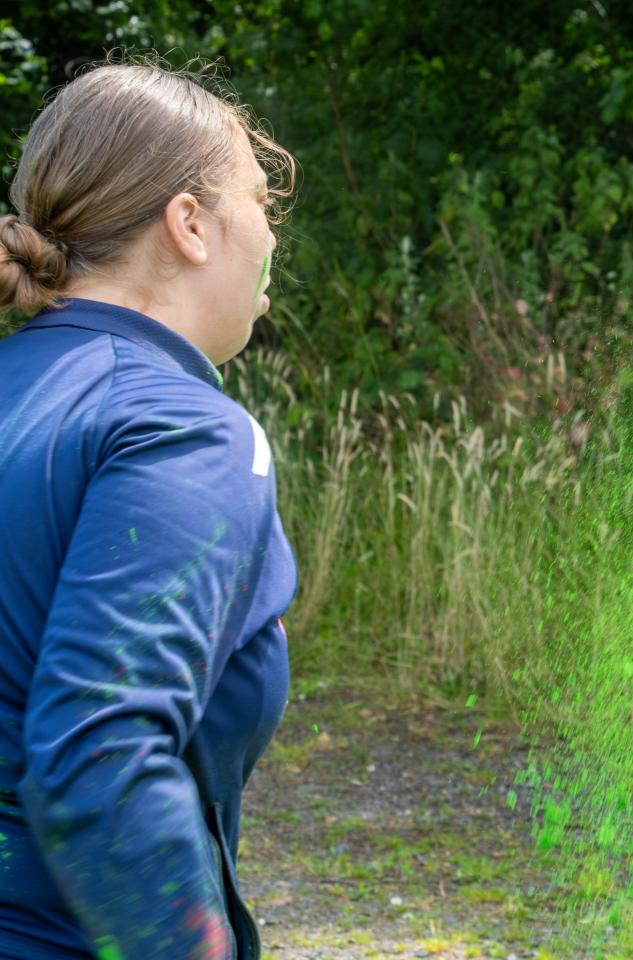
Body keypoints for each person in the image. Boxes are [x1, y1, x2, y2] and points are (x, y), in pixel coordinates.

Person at [0, 59, 297, 960]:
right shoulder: (181, 427)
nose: (275, 234)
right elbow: (101, 761)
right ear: (191, 224)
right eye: (260, 200)